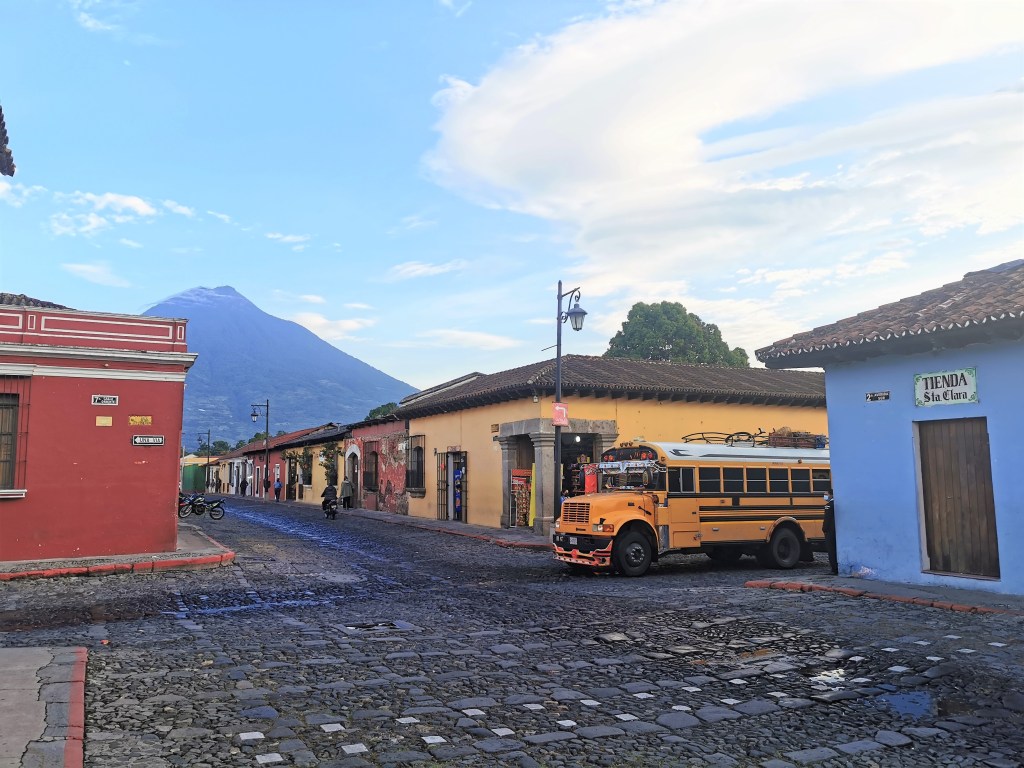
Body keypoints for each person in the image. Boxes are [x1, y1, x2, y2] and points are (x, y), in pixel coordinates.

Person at [823, 488, 838, 575]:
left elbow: (827, 519)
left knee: (831, 550)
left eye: (826, 494)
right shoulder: (837, 504)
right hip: (837, 530)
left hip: (830, 531)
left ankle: (834, 569)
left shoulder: (828, 506)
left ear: (831, 495)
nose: (825, 496)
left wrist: (824, 529)